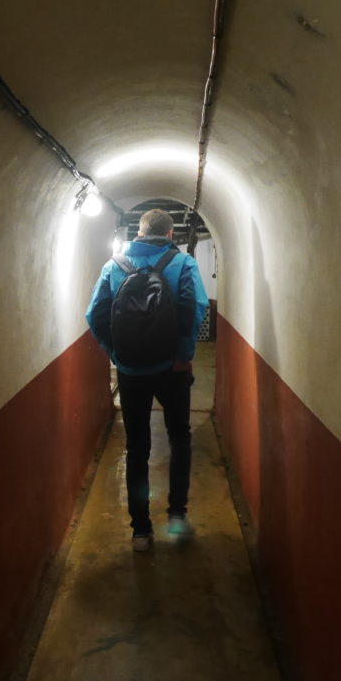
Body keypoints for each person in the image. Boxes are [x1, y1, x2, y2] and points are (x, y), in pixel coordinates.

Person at [85, 208, 209, 552]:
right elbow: (195, 307)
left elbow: (94, 314)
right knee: (179, 439)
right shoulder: (183, 263)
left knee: (137, 447)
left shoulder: (114, 266)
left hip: (131, 372)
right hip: (172, 369)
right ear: (170, 234)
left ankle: (140, 531)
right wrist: (183, 355)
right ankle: (177, 517)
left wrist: (115, 353)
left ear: (138, 233)